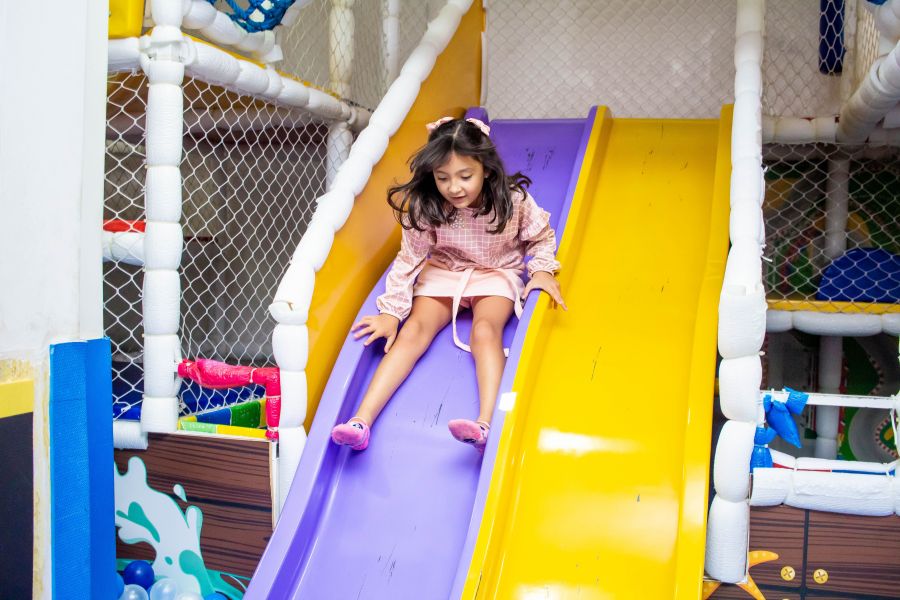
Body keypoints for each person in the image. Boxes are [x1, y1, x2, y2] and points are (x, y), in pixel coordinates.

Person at [331, 116, 566, 453]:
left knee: (484, 331)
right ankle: (360, 421)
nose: (454, 187)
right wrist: (392, 314)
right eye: (443, 178)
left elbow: (540, 238)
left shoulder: (513, 201)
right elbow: (409, 260)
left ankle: (486, 425)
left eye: (465, 176)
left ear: (485, 168)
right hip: (444, 271)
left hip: (495, 273)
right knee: (413, 332)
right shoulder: (429, 207)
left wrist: (542, 270)